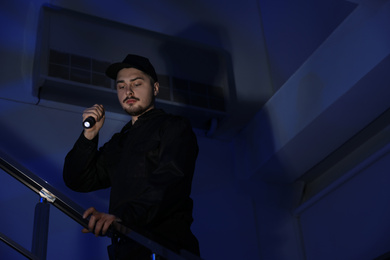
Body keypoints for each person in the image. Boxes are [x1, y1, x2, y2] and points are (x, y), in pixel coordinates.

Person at [63, 54, 200, 259]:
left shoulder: (173, 126)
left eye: (137, 83)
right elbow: (78, 179)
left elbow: (170, 181)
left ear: (155, 88)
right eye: (121, 86)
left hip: (167, 248)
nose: (128, 91)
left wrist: (122, 218)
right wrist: (89, 136)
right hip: (126, 249)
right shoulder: (120, 141)